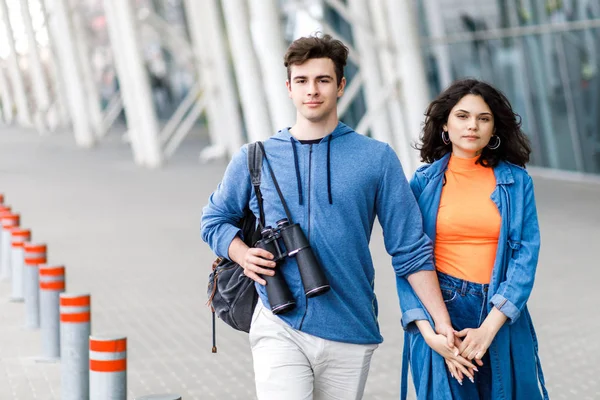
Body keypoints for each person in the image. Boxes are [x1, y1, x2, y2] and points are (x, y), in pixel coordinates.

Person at [201, 34, 464, 400]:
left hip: (350, 324)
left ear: (340, 86)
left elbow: (410, 248)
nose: (313, 90)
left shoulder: (376, 158)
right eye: (302, 81)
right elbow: (214, 220)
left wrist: (441, 321)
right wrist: (241, 253)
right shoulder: (255, 157)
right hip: (279, 319)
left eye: (323, 80)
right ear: (289, 88)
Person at [396, 79, 548, 399]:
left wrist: (490, 326)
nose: (472, 126)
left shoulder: (516, 182)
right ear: (445, 125)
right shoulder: (423, 183)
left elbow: (525, 256)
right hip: (443, 311)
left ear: (494, 129)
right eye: (462, 116)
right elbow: (409, 262)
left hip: (499, 309)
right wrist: (430, 332)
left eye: (483, 118)